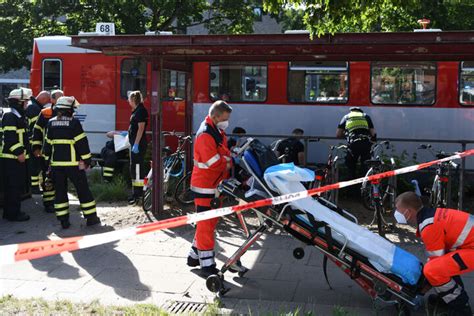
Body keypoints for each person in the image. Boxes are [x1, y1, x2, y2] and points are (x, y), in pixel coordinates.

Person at [187, 100, 245, 276]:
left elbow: (224, 154)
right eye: (225, 118)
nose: (227, 122)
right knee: (206, 225)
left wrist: (229, 157)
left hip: (214, 185)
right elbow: (214, 163)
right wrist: (229, 161)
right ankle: (207, 265)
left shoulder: (216, 131)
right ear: (215, 116)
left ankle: (193, 256)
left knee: (209, 223)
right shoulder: (206, 134)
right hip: (206, 186)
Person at [394, 192, 473, 315]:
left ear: (408, 212)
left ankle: (461, 307)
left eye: (398, 210)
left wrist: (420, 292)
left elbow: (435, 265)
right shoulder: (431, 215)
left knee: (433, 270)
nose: (396, 213)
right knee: (444, 265)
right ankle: (447, 299)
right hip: (469, 246)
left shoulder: (429, 226)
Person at [42, 96, 100, 229]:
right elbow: (82, 144)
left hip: (57, 166)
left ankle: (63, 220)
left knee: (60, 192)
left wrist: (46, 163)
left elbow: (47, 145)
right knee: (83, 190)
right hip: (74, 166)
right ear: (69, 110)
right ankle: (91, 218)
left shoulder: (50, 123)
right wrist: (87, 160)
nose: (74, 112)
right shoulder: (74, 123)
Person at [1, 87, 32, 221]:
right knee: (13, 188)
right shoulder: (10, 116)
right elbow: (10, 137)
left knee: (14, 187)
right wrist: (19, 153)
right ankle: (13, 214)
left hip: (14, 159)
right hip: (11, 159)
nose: (26, 104)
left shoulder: (17, 115)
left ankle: (10, 213)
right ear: (18, 102)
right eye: (25, 102)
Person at [31, 89, 63, 213]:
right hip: (47, 152)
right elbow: (37, 130)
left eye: (63, 98)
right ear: (52, 100)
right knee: (47, 178)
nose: (61, 100)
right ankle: (48, 203)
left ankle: (59, 201)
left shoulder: (68, 112)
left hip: (62, 153)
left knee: (60, 178)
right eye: (59, 98)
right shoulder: (45, 113)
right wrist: (36, 147)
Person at [336, 107, 376, 179]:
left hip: (353, 144)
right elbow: (373, 134)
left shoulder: (346, 117)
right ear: (360, 111)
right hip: (365, 143)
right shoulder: (366, 116)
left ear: (351, 111)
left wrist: (347, 135)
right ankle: (364, 185)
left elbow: (338, 134)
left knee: (350, 165)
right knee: (365, 165)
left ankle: (352, 186)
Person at [25, 91, 51, 194]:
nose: (47, 102)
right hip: (33, 142)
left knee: (34, 165)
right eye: (47, 100)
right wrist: (36, 144)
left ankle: (33, 186)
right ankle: (34, 187)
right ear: (43, 99)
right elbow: (36, 128)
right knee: (34, 165)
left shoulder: (33, 106)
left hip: (31, 141)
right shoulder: (35, 108)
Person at [127, 91, 148, 205]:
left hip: (138, 145)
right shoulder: (137, 111)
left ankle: (139, 194)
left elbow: (141, 128)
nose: (128, 101)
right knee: (134, 169)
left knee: (138, 169)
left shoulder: (140, 111)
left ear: (133, 100)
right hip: (136, 143)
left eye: (129, 99)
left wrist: (136, 144)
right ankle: (136, 194)